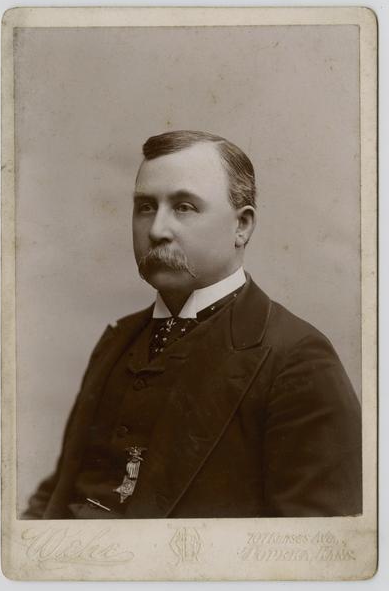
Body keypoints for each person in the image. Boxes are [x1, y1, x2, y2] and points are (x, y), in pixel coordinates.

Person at [23, 130, 362, 519]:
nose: (156, 230)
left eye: (184, 207)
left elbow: (313, 551)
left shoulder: (298, 361)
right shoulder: (118, 339)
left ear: (243, 226)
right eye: (146, 207)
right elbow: (56, 493)